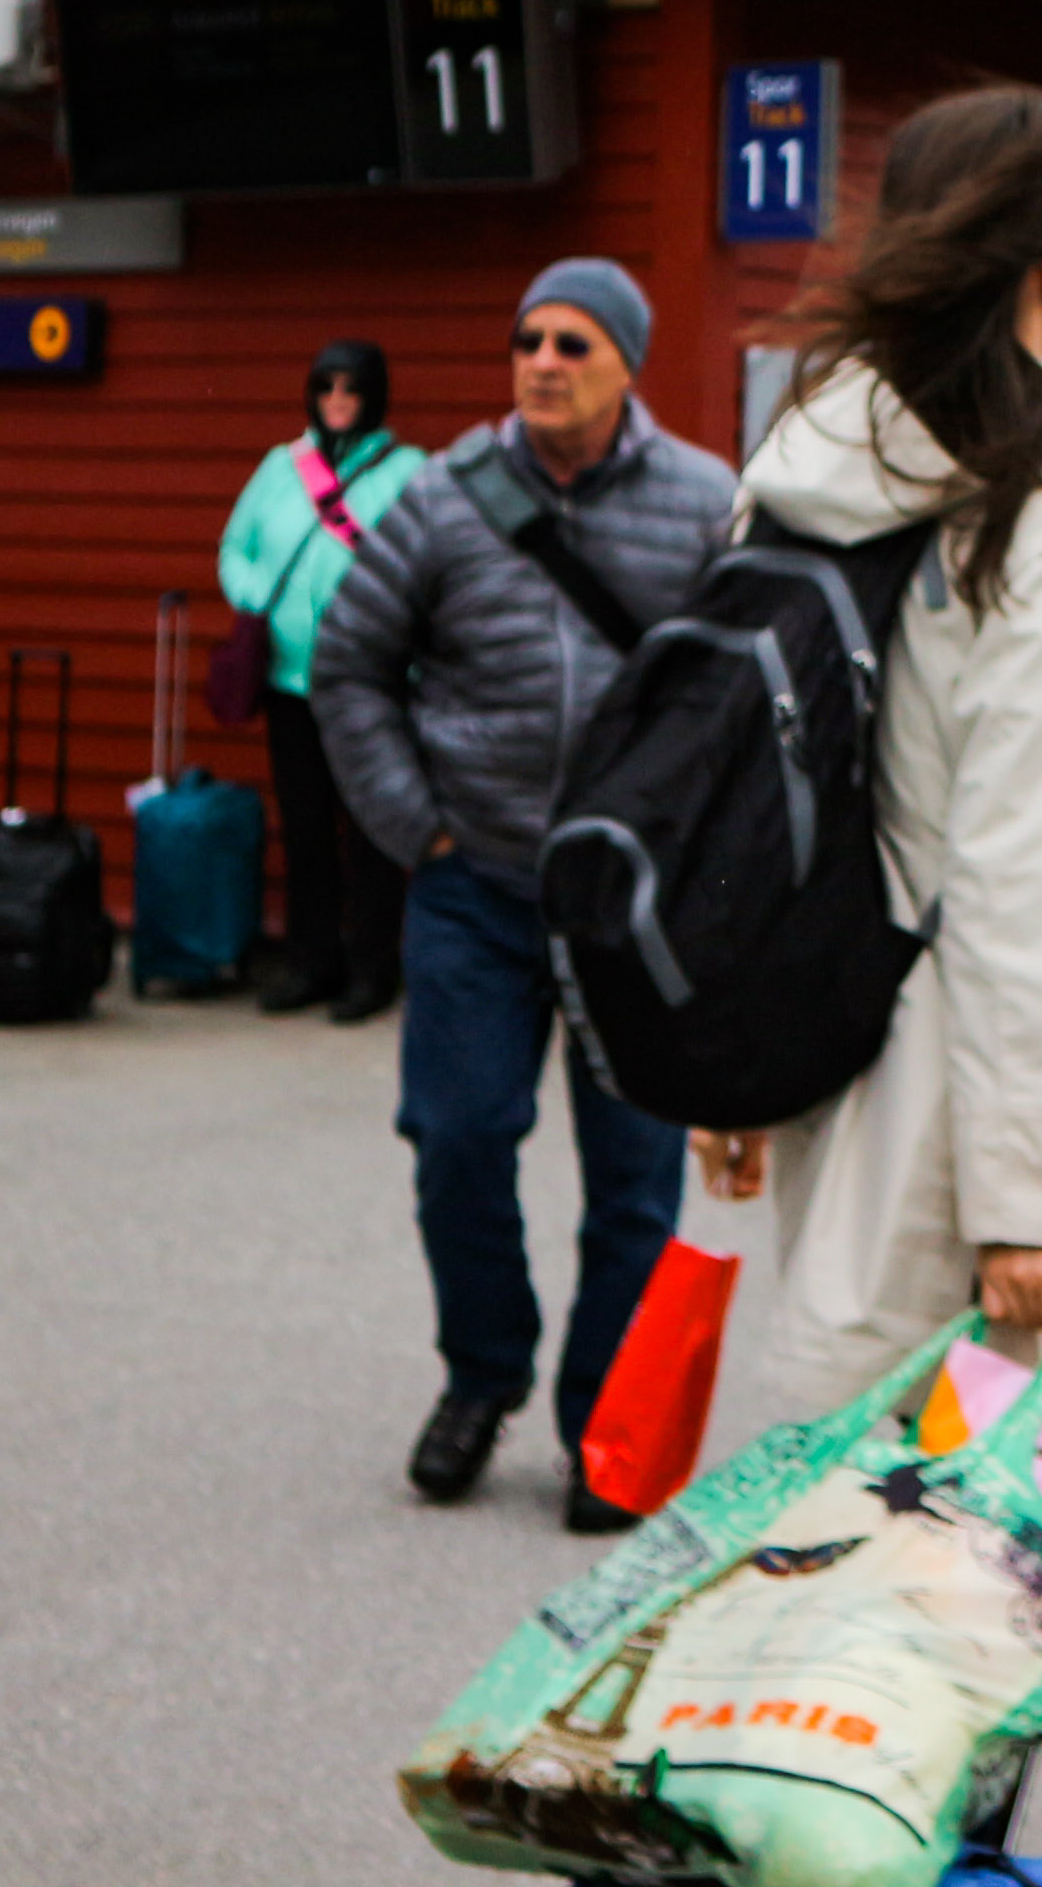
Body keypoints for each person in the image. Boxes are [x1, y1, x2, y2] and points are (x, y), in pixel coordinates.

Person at [698, 86, 1042, 1431]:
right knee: (980, 1509)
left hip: (821, 1016)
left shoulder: (807, 455)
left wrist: (729, 1064)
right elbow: (1021, 858)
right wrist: (1027, 1197)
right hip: (971, 1070)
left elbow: (745, 784)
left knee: (842, 1466)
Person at [308, 259, 733, 1527]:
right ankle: (481, 1375)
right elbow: (349, 664)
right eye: (527, 340)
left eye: (573, 343)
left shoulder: (706, 501)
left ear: (627, 364)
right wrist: (418, 830)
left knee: (636, 1183)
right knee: (456, 1139)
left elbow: (742, 689)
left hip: (630, 905)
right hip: (476, 885)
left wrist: (700, 856)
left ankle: (604, 1424)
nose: (543, 361)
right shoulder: (446, 497)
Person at [217, 338, 420, 1019]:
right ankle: (311, 961)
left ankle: (372, 969)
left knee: (370, 830)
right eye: (326, 387)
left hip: (371, 683)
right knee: (304, 827)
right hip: (289, 682)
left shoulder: (409, 473)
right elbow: (236, 548)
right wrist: (256, 601)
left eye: (351, 388)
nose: (337, 401)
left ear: (373, 395)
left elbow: (433, 569)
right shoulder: (281, 467)